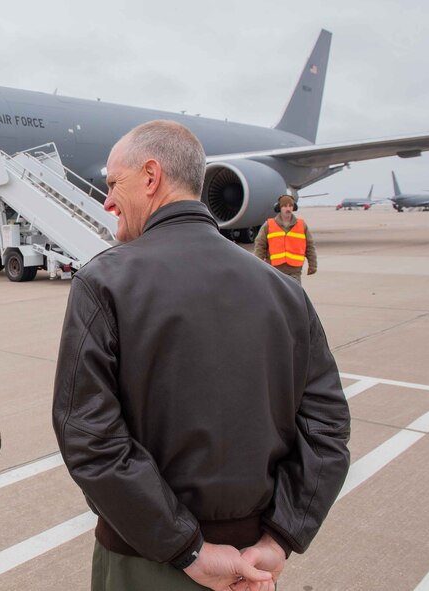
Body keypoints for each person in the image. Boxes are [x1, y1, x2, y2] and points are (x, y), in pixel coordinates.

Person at [52, 120, 350, 591]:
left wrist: (186, 549)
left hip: (146, 562)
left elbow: (89, 437)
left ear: (151, 177)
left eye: (113, 184)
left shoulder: (104, 282)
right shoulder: (283, 291)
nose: (107, 201)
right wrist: (280, 538)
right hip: (253, 565)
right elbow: (327, 428)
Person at [253, 195, 317, 284]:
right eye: (285, 206)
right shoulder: (269, 225)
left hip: (294, 270)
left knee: (294, 294)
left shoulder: (302, 225)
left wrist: (313, 265)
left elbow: (310, 246)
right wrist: (257, 265)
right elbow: (260, 246)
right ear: (279, 207)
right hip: (274, 269)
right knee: (276, 295)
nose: (288, 209)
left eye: (290, 206)